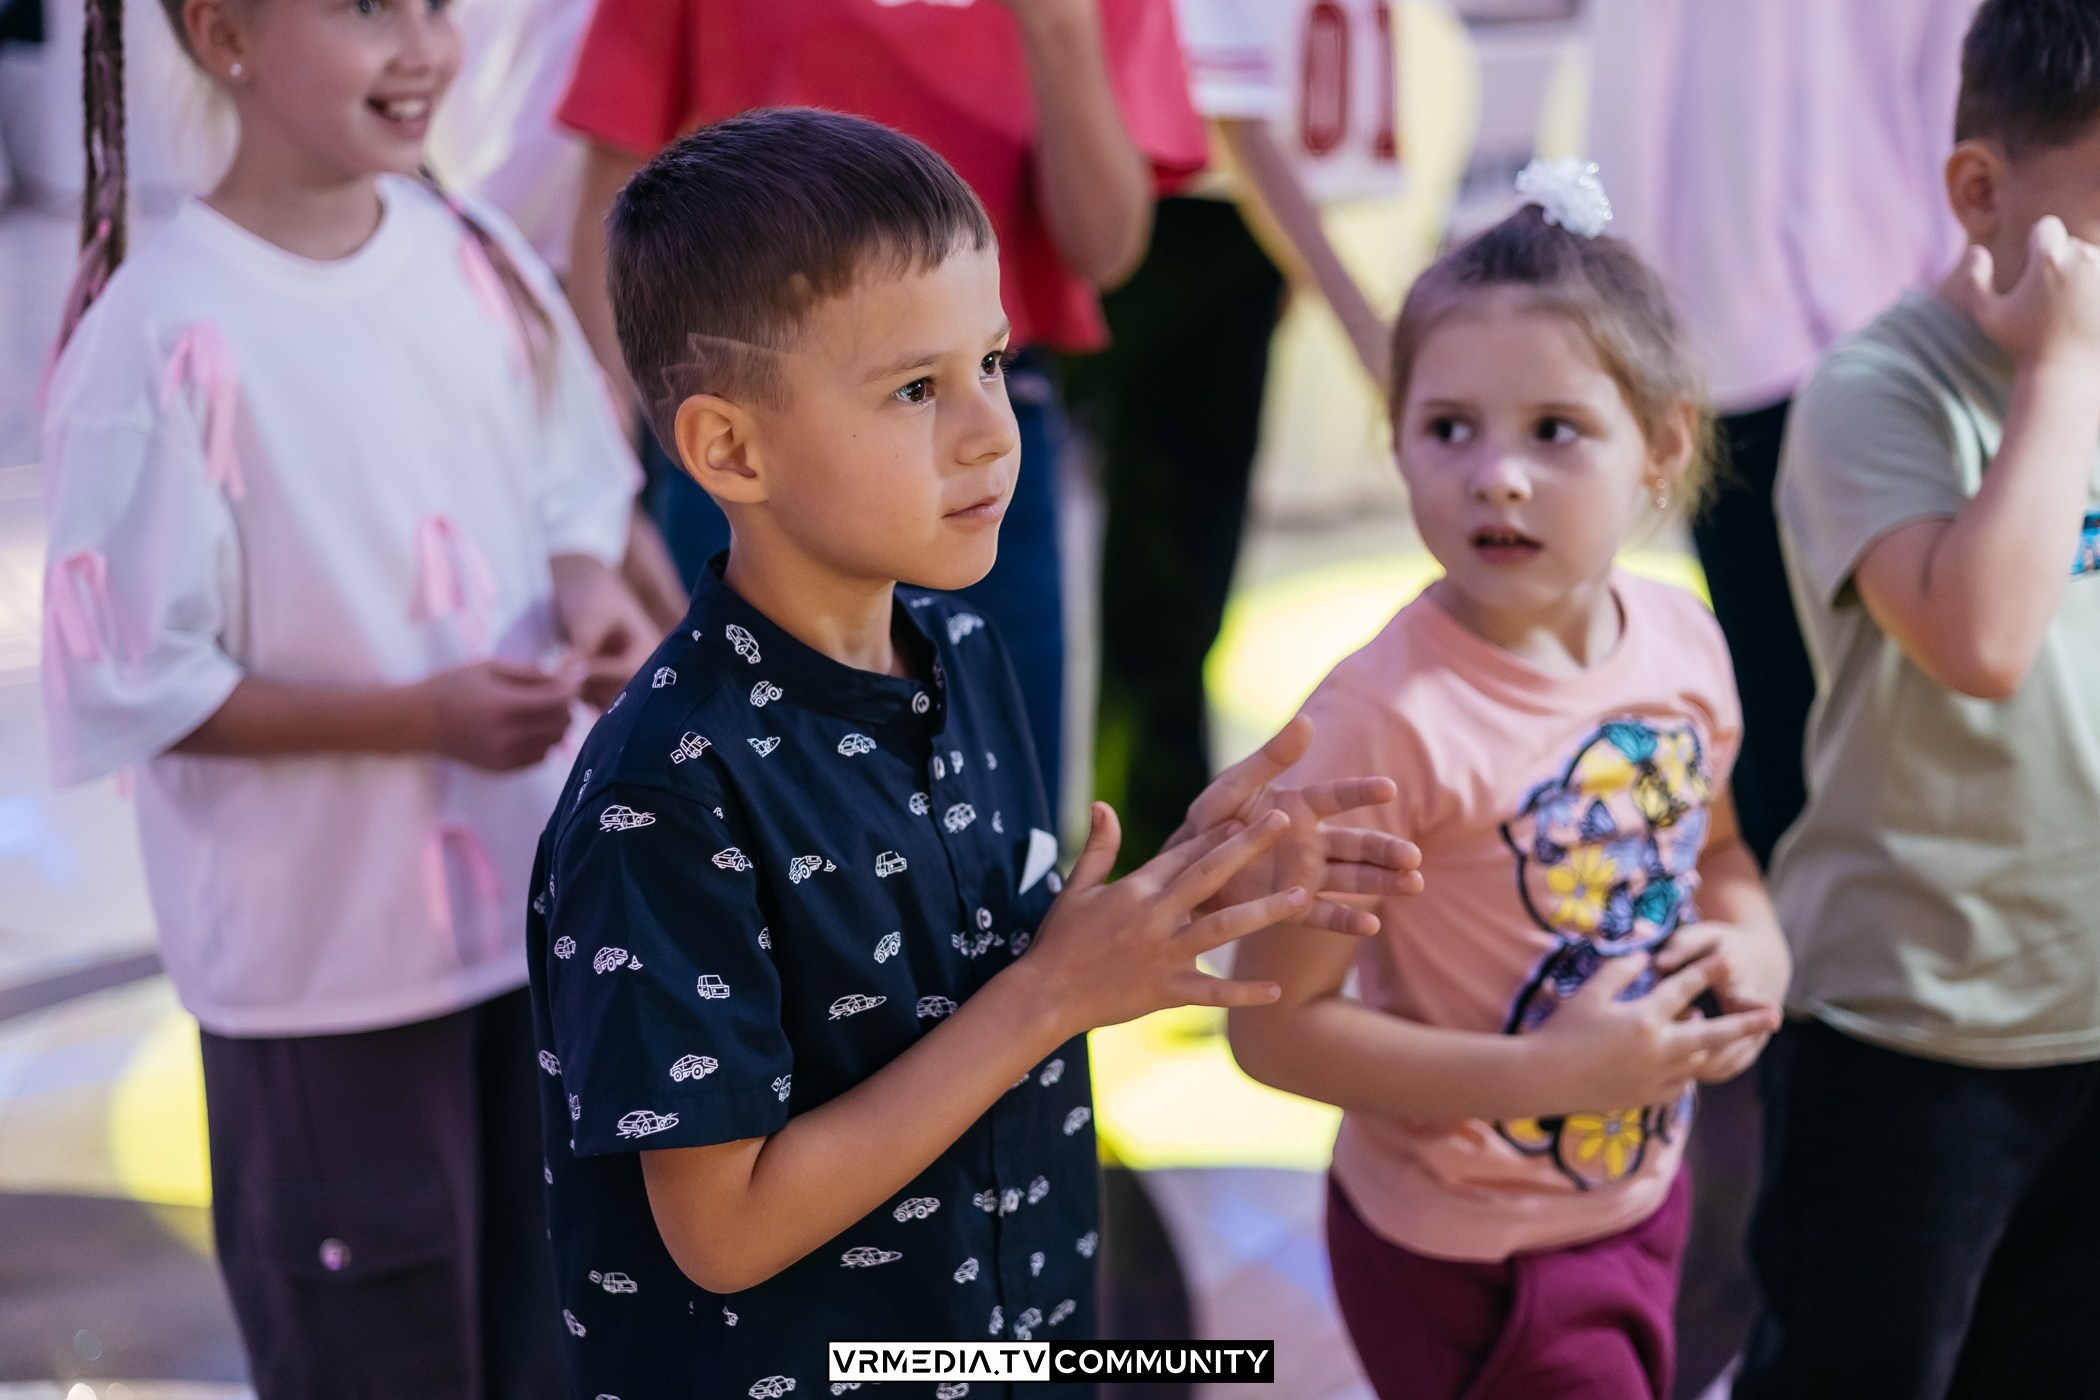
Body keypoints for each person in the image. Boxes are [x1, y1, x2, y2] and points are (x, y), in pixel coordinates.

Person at [526, 108, 1421, 1400]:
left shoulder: (960, 648)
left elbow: (962, 975)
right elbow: (722, 1232)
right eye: (914, 389)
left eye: (994, 362)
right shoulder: (664, 796)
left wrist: (1165, 896)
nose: (992, 431)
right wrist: (1054, 997)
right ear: (730, 447)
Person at [40, 0, 655, 1393]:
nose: (424, 48)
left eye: (438, 5)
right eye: (369, 9)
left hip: (533, 925)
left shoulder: (474, 254)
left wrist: (591, 598)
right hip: (320, 976)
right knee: (375, 1347)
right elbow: (139, 681)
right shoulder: (161, 328)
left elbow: (575, 498)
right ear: (225, 35)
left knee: (551, 1327)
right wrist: (417, 719)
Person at [1225, 164, 1790, 1400]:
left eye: (1554, 429)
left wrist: (1754, 951)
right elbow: (1272, 1028)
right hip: (1457, 1247)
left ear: (1665, 443)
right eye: (1449, 428)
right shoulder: (1377, 723)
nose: (1498, 474)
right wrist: (1552, 1078)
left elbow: (1725, 854)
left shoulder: (1687, 648)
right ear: (1399, 439)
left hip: (1640, 1196)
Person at [551, 0, 1207, 819]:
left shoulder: (980, 500)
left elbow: (1104, 249)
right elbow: (611, 206)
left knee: (1004, 829)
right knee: (755, 814)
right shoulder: (646, 789)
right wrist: (600, 494)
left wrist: (1060, 30)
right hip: (751, 448)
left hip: (978, 461)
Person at [1737, 2, 2100, 1393]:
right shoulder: (1875, 393)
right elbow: (1986, 640)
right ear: (1980, 193)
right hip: (1911, 1041)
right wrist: (2061, 366)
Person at [1075, 0, 1397, 869]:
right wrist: (1361, 321)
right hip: (1162, 224)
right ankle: (1148, 850)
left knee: (1176, 579)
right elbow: (1235, 117)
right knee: (1154, 576)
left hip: (1218, 233)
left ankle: (1161, 846)